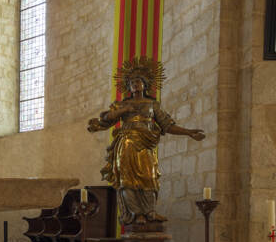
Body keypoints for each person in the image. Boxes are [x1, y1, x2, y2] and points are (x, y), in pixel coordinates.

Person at [87, 57, 204, 226]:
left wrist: (189, 132)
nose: (135, 84)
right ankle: (137, 214)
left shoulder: (152, 104)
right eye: (132, 81)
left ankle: (150, 212)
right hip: (126, 144)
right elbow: (105, 119)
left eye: (139, 81)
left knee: (149, 177)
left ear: (145, 84)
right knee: (127, 180)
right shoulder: (122, 104)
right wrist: (124, 110)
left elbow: (167, 125)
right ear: (128, 86)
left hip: (146, 146)